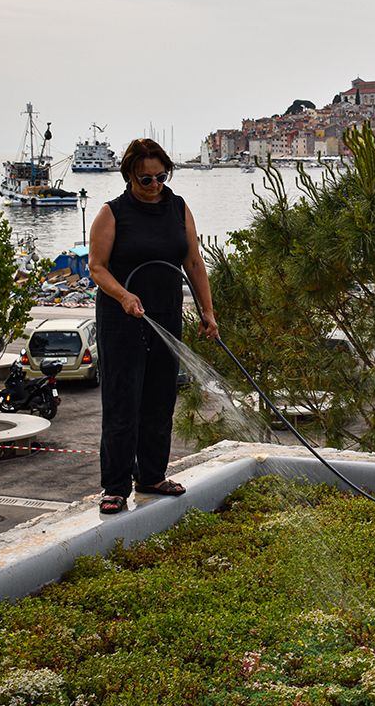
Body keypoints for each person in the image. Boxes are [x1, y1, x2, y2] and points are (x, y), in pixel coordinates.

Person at [89, 139, 219, 515]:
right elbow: (97, 267)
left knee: (160, 399)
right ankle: (114, 487)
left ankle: (151, 475)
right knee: (122, 402)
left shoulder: (178, 207)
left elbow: (193, 263)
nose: (155, 185)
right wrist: (124, 296)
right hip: (122, 319)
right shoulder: (112, 213)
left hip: (166, 314)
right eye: (146, 179)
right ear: (130, 175)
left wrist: (208, 311)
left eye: (162, 176)